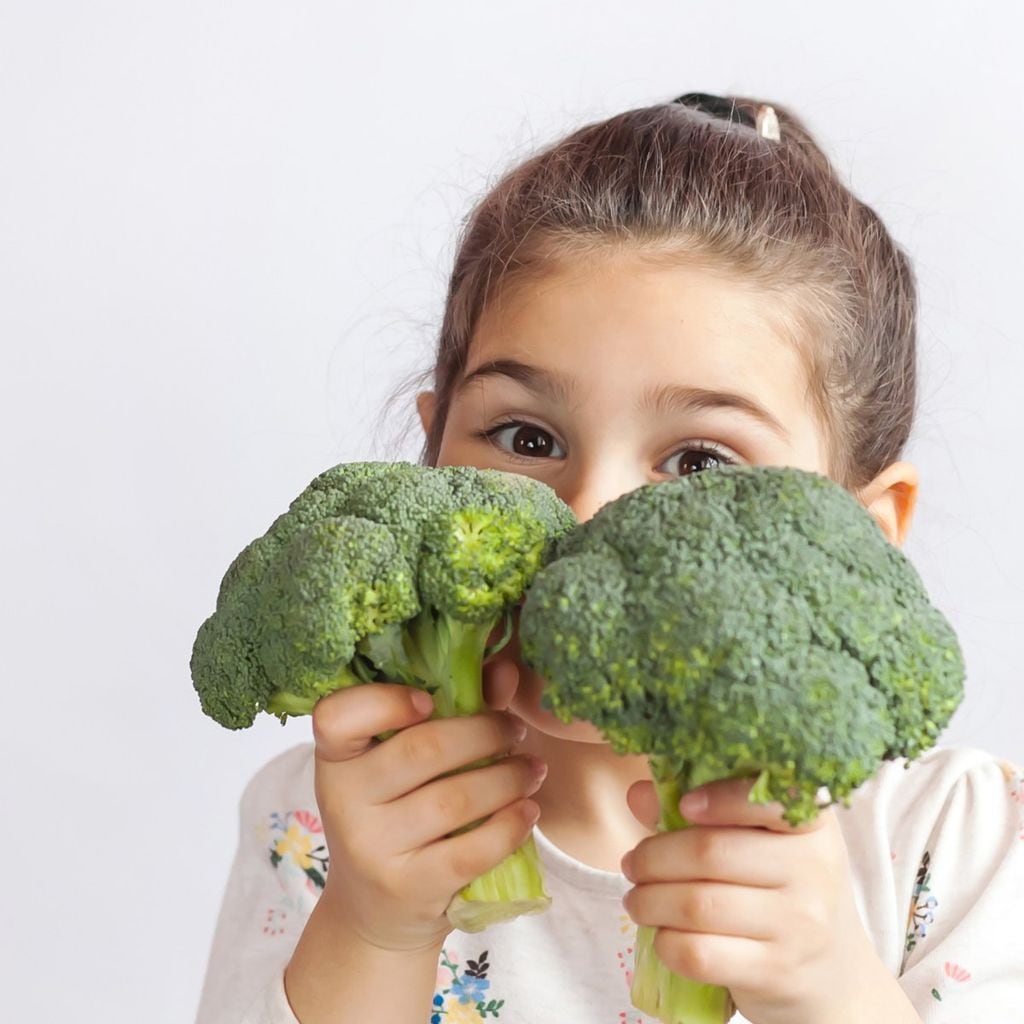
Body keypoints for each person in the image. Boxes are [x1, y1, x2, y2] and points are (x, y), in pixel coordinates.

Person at [195, 93, 1022, 1024]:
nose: (588, 516)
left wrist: (831, 988)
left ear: (865, 531)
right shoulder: (327, 819)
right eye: (525, 436)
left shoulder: (949, 844)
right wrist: (373, 929)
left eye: (698, 461)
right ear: (432, 461)